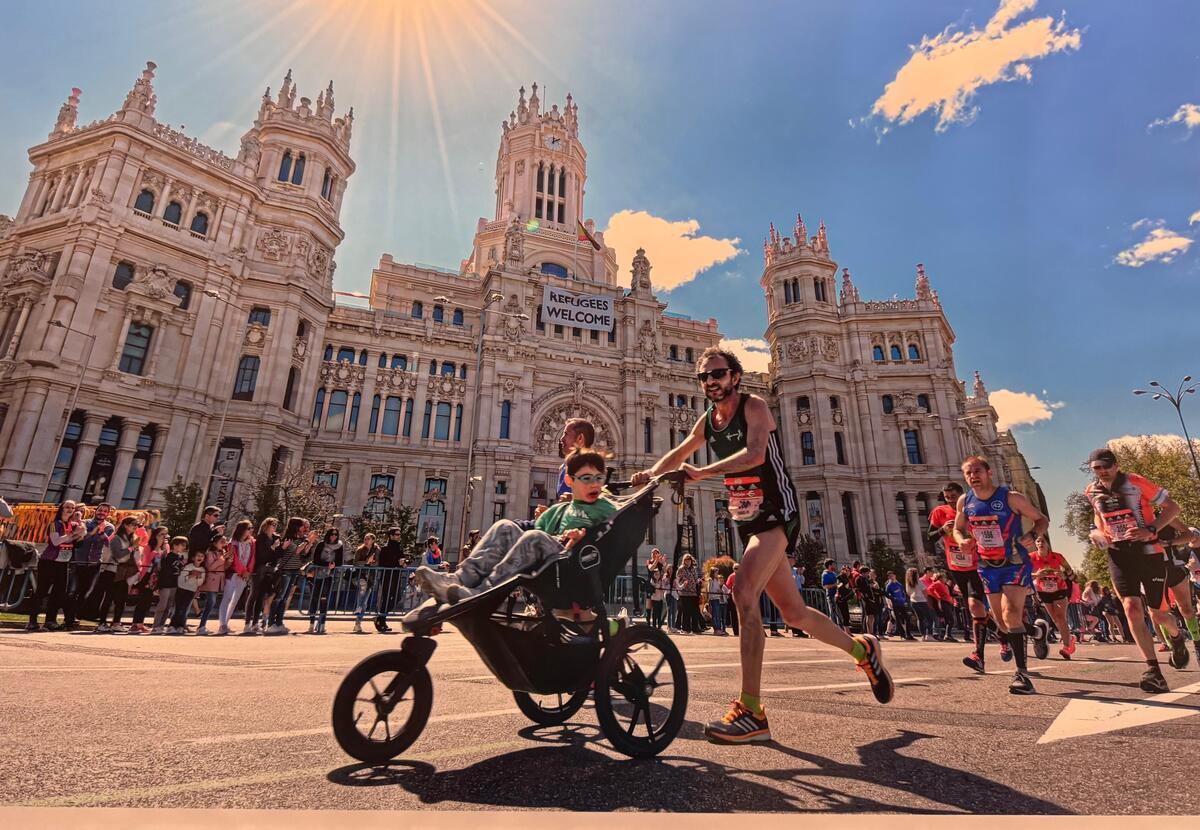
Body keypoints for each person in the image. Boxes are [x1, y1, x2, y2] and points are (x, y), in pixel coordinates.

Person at [632, 347, 893, 743]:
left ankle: (751, 710)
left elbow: (755, 454)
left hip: (775, 511)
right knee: (793, 613)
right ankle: (863, 651)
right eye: (704, 377)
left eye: (717, 374)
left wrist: (703, 472)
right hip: (744, 517)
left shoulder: (754, 407)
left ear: (734, 376)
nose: (710, 382)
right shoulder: (708, 420)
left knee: (744, 592)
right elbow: (681, 450)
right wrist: (649, 474)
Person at [408, 449, 619, 624]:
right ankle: (458, 579)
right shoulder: (559, 510)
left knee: (534, 537)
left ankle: (483, 592)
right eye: (586, 478)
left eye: (599, 478)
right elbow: (532, 528)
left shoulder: (605, 507)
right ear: (569, 480)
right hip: (546, 560)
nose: (594, 484)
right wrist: (510, 527)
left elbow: (613, 530)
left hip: (570, 561)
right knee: (505, 526)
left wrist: (584, 535)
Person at [1084, 448, 1188, 692]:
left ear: (1116, 464)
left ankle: (1177, 635)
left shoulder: (1136, 482)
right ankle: (1153, 670)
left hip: (1150, 554)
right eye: (1097, 468)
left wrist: (1150, 529)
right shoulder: (1091, 491)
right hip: (1119, 555)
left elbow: (1173, 508)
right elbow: (1099, 520)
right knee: (1131, 608)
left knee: (1159, 615)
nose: (1102, 471)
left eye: (1106, 466)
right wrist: (1097, 534)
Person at [954, 456, 1050, 695]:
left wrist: (1033, 533)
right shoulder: (965, 501)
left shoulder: (1011, 497)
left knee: (1011, 614)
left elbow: (1041, 519)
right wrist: (962, 541)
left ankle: (1022, 675)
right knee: (1002, 623)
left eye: (977, 471)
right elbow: (957, 528)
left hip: (1014, 562)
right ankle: (1038, 632)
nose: (973, 476)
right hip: (987, 565)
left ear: (989, 473)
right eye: (968, 473)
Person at [26, 501, 86, 631]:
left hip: (63, 562)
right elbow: (55, 541)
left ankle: (50, 620)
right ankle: (32, 621)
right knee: (41, 590)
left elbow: (80, 539)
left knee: (59, 592)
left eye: (72, 508)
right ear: (61, 509)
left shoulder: (73, 524)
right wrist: (73, 535)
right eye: (67, 507)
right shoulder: (54, 524)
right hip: (49, 561)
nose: (70, 510)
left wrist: (79, 530)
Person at [66, 502, 114, 629]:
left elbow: (103, 542)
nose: (101, 512)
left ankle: (75, 617)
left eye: (105, 511)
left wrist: (94, 534)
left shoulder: (109, 527)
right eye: (100, 510)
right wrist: (93, 533)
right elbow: (80, 539)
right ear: (95, 510)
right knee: (72, 591)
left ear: (108, 514)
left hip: (93, 564)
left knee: (85, 592)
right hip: (78, 561)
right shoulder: (85, 523)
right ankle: (68, 619)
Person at [1158, 522, 1200, 662]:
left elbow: (1189, 534)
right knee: (1161, 613)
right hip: (1151, 570)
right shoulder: (1131, 517)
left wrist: (1168, 543)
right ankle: (1174, 646)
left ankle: (1197, 643)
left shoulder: (1165, 513)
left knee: (1187, 610)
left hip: (1173, 566)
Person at [1030, 535, 1077, 659]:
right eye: (1038, 541)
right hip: (1044, 591)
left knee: (1061, 617)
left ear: (1047, 544)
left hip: (1060, 589)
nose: (1040, 543)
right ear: (1035, 544)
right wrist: (1036, 575)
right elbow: (1024, 574)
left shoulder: (1057, 556)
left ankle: (1067, 648)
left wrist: (1064, 575)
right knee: (1056, 620)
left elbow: (1069, 571)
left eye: (1043, 541)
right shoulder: (1031, 558)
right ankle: (1070, 638)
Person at [267, 519, 316, 635]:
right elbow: (296, 551)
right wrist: (307, 540)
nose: (303, 528)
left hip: (295, 570)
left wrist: (309, 544)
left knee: (284, 599)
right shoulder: (288, 538)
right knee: (279, 597)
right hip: (286, 570)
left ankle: (279, 622)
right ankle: (270, 623)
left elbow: (304, 555)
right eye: (301, 526)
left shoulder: (300, 538)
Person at [94, 516, 140, 633]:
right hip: (111, 571)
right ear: (125, 525)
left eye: (137, 525)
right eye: (133, 524)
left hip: (124, 573)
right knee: (108, 598)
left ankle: (116, 622)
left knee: (121, 599)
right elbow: (119, 556)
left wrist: (135, 549)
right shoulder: (116, 538)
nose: (135, 527)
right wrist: (131, 548)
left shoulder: (132, 539)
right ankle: (102, 623)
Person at [217, 520, 255, 636]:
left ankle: (226, 623)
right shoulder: (232, 543)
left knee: (235, 600)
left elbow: (252, 558)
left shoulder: (251, 543)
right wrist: (242, 571)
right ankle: (222, 624)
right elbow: (235, 559)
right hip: (233, 573)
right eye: (248, 528)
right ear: (242, 530)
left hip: (244, 574)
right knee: (227, 598)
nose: (250, 530)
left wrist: (248, 572)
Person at [128, 526, 167, 634]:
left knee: (148, 601)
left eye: (165, 534)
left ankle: (140, 623)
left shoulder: (165, 548)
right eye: (161, 534)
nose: (163, 537)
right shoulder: (149, 546)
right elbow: (147, 560)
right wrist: (157, 547)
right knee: (142, 600)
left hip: (155, 577)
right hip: (146, 576)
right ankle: (135, 624)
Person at [244, 518, 280, 635]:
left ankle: (255, 623)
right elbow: (261, 555)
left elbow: (276, 556)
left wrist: (278, 549)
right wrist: (273, 548)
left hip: (269, 569)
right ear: (266, 526)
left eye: (276, 524)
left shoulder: (275, 538)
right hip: (259, 568)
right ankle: (247, 623)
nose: (274, 526)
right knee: (254, 594)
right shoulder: (261, 538)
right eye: (272, 524)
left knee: (261, 596)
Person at [307, 527, 344, 634]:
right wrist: (326, 565)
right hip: (317, 574)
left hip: (329, 575)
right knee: (314, 598)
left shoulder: (339, 546)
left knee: (324, 599)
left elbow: (340, 561)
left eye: (336, 534)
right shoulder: (321, 544)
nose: (333, 536)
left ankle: (322, 623)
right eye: (332, 534)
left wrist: (333, 565)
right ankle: (311, 624)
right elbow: (316, 559)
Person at [375, 525, 409, 633]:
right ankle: (382, 621)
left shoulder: (399, 548)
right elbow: (383, 563)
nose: (399, 537)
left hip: (396, 576)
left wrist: (404, 563)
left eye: (399, 535)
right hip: (387, 576)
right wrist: (397, 563)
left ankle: (380, 617)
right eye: (397, 535)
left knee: (397, 597)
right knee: (386, 598)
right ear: (391, 536)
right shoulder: (385, 548)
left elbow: (403, 559)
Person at [197, 534, 230, 635]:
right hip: (212, 580)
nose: (224, 544)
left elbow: (223, 567)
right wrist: (222, 559)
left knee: (211, 604)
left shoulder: (222, 552)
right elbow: (210, 567)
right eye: (221, 542)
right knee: (210, 603)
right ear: (215, 543)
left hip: (219, 580)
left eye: (225, 542)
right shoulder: (210, 553)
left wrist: (228, 561)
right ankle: (201, 626)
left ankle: (202, 625)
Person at [170, 548, 206, 634]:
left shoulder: (202, 570)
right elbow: (181, 579)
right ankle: (172, 626)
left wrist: (198, 577)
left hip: (191, 591)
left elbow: (200, 583)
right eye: (198, 556)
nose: (199, 558)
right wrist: (190, 575)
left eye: (202, 556)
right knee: (178, 608)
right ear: (193, 558)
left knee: (185, 609)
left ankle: (180, 626)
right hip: (182, 589)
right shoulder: (188, 567)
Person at [351, 533, 380, 634]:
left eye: (368, 539)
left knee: (364, 602)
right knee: (362, 590)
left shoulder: (376, 550)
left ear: (373, 540)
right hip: (360, 576)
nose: (366, 540)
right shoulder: (360, 549)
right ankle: (358, 613)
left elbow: (377, 562)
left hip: (370, 577)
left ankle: (358, 623)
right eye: (365, 538)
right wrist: (366, 563)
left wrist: (371, 563)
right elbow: (355, 562)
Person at [674, 554, 702, 634]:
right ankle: (686, 628)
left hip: (693, 592)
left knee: (694, 611)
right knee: (686, 611)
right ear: (684, 561)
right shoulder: (681, 569)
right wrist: (683, 584)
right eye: (686, 560)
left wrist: (699, 581)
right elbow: (677, 580)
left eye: (689, 560)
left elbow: (696, 579)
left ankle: (695, 628)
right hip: (684, 593)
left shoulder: (693, 569)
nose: (688, 561)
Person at [927, 573, 957, 641]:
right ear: (940, 578)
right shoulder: (938, 583)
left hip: (947, 602)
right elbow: (929, 589)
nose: (945, 579)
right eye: (944, 577)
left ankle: (946, 635)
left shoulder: (944, 584)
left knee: (948, 620)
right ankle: (947, 635)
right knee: (950, 620)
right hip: (944, 602)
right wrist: (937, 596)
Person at [906, 567, 932, 641]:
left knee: (920, 619)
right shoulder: (918, 581)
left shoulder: (908, 582)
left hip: (913, 601)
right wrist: (926, 598)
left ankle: (923, 635)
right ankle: (929, 635)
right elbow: (925, 591)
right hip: (922, 601)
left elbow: (908, 592)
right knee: (929, 618)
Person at [885, 572, 913, 639]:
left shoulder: (899, 584)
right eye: (890, 576)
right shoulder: (889, 586)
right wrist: (892, 599)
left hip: (902, 604)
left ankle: (908, 634)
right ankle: (902, 634)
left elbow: (903, 592)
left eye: (892, 576)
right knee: (897, 619)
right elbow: (886, 594)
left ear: (895, 576)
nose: (892, 577)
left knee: (907, 618)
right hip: (895, 604)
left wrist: (904, 599)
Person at [705, 560, 729, 635]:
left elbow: (717, 588)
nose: (717, 574)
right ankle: (716, 629)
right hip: (713, 598)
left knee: (717, 614)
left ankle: (719, 628)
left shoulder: (716, 580)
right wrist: (709, 598)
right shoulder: (711, 580)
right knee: (715, 614)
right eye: (716, 572)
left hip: (717, 598)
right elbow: (709, 589)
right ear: (713, 573)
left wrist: (719, 590)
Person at [647, 549, 667, 629]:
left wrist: (663, 563)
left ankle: (658, 626)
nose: (655, 555)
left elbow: (665, 572)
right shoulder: (649, 561)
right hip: (651, 588)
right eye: (653, 553)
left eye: (656, 553)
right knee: (649, 608)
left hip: (660, 588)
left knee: (659, 608)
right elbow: (651, 568)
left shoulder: (660, 563)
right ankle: (649, 625)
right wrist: (656, 560)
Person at [820, 559, 840, 627]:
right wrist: (834, 585)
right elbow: (824, 586)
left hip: (837, 595)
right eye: (833, 564)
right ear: (829, 565)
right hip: (831, 595)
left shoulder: (834, 573)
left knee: (838, 613)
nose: (835, 566)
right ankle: (833, 628)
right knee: (833, 613)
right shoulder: (825, 574)